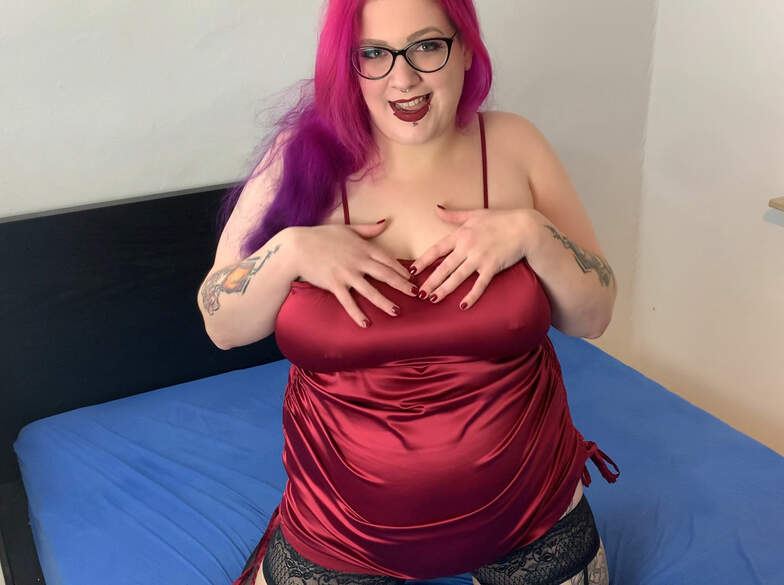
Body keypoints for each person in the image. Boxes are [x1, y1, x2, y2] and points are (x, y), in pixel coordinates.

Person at [197, 0, 620, 584]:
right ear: (348, 65)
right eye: (374, 53)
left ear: (465, 48)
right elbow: (221, 324)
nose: (403, 78)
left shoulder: (515, 144)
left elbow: (594, 315)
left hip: (533, 516)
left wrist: (533, 234)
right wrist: (291, 251)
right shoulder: (298, 160)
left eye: (426, 46)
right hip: (336, 534)